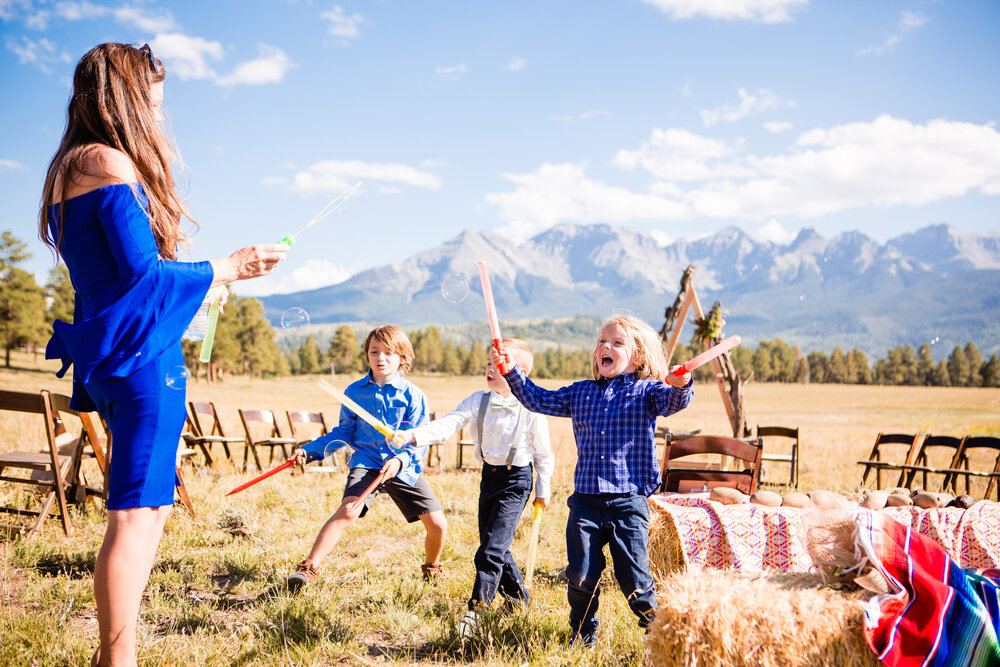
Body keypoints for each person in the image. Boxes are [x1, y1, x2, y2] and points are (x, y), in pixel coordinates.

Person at [38, 43, 288, 667]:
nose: (157, 105)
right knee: (134, 516)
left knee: (148, 506)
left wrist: (206, 290)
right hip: (144, 362)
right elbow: (147, 279)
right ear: (124, 93)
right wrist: (224, 268)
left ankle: (109, 659)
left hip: (119, 351)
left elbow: (123, 280)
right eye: (150, 92)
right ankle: (117, 661)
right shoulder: (107, 162)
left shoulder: (68, 165)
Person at [490, 314, 693, 647]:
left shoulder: (648, 392)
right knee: (581, 575)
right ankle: (582, 634)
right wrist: (511, 371)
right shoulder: (581, 392)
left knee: (635, 580)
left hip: (628, 502)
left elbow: (674, 401)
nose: (605, 347)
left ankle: (662, 639)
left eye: (616, 342)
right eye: (602, 342)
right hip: (585, 502)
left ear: (638, 356)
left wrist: (682, 383)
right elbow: (538, 399)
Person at [393, 339, 554, 635]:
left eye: (498, 365)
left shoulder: (531, 408)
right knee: (496, 545)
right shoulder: (477, 401)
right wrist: (414, 435)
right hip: (489, 478)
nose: (489, 369)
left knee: (489, 550)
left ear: (521, 373)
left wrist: (543, 492)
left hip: (516, 480)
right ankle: (519, 601)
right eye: (488, 364)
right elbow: (447, 424)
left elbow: (543, 454)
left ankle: (477, 611)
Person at [287, 325, 448, 589]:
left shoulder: (414, 396)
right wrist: (310, 449)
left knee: (438, 524)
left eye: (388, 352)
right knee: (349, 510)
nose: (380, 358)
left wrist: (400, 460)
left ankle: (432, 567)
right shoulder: (354, 393)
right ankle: (308, 568)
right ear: (367, 355)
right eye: (374, 351)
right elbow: (343, 432)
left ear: (402, 358)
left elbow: (420, 440)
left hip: (401, 465)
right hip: (367, 462)